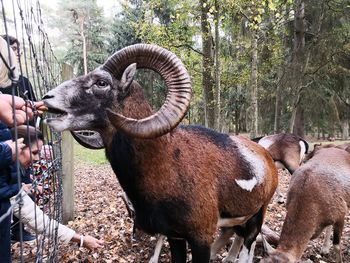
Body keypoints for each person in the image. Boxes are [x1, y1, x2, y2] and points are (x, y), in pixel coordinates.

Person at [0, 125, 103, 263]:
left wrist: (81, 239)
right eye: (34, 152)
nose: (37, 159)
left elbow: (39, 220)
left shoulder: (11, 178)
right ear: (17, 147)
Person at [1, 35, 36, 101]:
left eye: (18, 50)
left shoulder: (24, 82)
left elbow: (35, 108)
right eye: (14, 49)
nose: (19, 53)